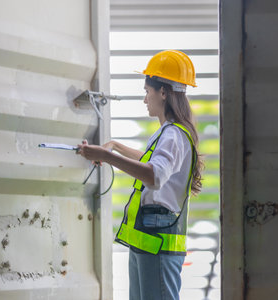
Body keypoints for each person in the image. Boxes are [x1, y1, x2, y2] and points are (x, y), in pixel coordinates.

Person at [76, 50, 203, 300]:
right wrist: (112, 146)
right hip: (148, 238)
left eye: (147, 91)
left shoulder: (173, 135)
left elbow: (154, 175)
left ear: (163, 92)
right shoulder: (168, 132)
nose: (145, 99)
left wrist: (106, 157)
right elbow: (149, 161)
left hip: (157, 242)